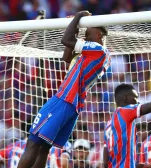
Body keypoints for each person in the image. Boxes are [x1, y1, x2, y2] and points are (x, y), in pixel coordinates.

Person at [18, 10, 110, 168]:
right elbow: (67, 57)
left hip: (65, 99)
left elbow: (66, 40)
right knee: (44, 148)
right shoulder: (93, 55)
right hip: (72, 104)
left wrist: (78, 17)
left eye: (89, 31)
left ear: (99, 35)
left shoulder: (98, 50)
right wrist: (76, 29)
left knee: (33, 142)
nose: (86, 34)